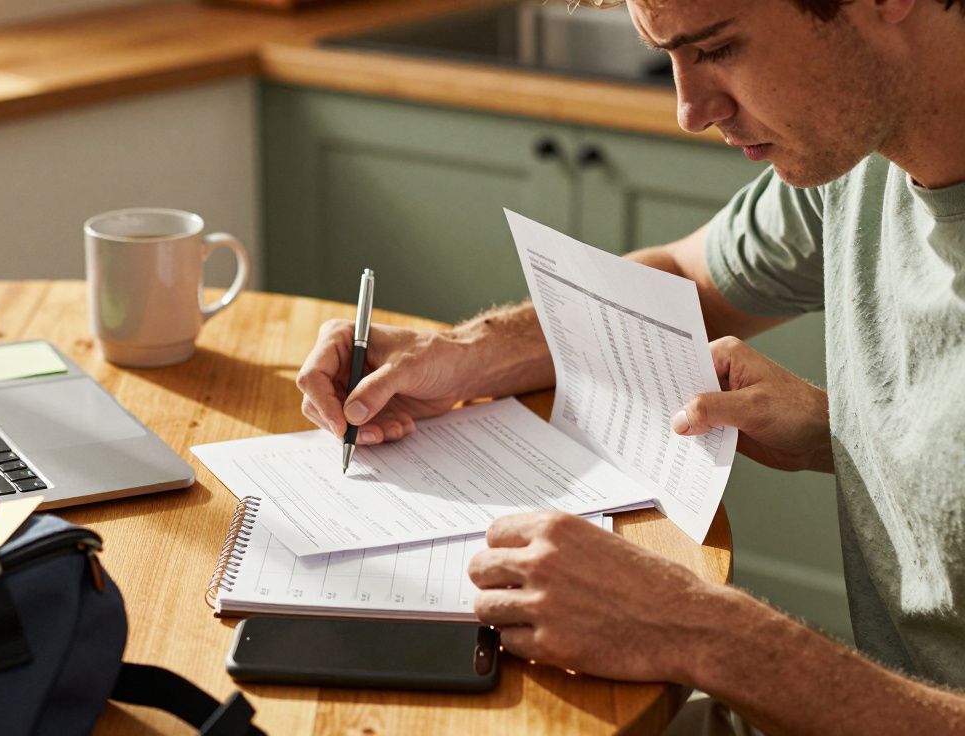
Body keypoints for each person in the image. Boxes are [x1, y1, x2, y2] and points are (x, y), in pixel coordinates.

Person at [295, 0, 965, 731]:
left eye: (717, 48)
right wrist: (462, 353)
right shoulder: (861, 160)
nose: (689, 109)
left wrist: (700, 631)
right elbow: (687, 277)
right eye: (667, 54)